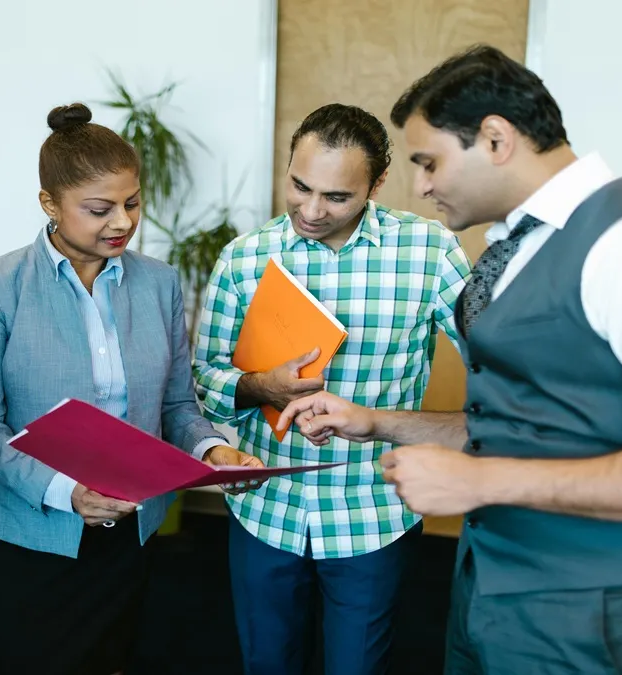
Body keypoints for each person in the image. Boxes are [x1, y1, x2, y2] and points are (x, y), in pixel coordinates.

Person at [278, 45, 622, 675]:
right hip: (495, 599)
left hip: (600, 621)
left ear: (495, 139)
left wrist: (481, 483)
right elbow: (519, 428)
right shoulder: (519, 247)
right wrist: (376, 421)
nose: (421, 186)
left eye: (430, 162)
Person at [0, 102, 264, 675]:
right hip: (31, 531)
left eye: (132, 203)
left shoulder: (159, 283)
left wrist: (211, 451)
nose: (121, 221)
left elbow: (174, 405)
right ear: (49, 204)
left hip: (128, 527)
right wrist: (62, 490)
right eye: (99, 209)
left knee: (111, 661)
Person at [192, 103, 473, 675]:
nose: (311, 210)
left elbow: (496, 361)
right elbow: (204, 378)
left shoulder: (429, 251)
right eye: (299, 186)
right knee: (266, 663)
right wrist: (257, 387)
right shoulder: (245, 259)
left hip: (375, 509)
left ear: (377, 184)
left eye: (337, 197)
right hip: (264, 507)